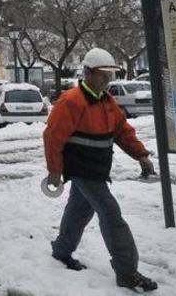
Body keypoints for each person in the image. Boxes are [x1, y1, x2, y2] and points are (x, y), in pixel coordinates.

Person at [44, 48, 159, 292]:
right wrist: (55, 171)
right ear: (87, 73)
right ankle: (127, 272)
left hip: (97, 169)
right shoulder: (71, 101)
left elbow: (122, 131)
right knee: (111, 214)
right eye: (102, 74)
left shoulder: (107, 101)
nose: (107, 79)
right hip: (81, 169)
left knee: (79, 210)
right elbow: (53, 137)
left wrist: (140, 154)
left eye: (110, 74)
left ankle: (61, 251)